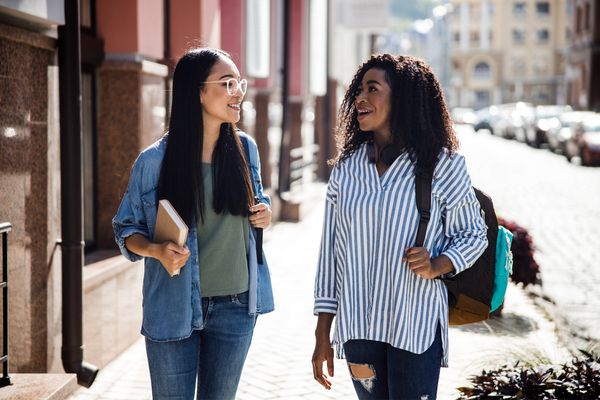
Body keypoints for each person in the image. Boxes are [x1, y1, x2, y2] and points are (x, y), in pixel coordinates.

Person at [311, 54, 488, 400]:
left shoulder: (442, 165)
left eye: (372, 89)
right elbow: (330, 256)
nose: (360, 98)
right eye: (359, 90)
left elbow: (473, 233)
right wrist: (322, 336)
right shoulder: (347, 170)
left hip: (416, 327)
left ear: (403, 99)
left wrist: (439, 263)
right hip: (359, 328)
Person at [112, 47, 274, 400]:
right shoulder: (153, 162)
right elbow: (126, 229)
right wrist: (156, 249)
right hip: (173, 307)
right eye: (227, 83)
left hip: (236, 306)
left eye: (239, 82)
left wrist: (265, 212)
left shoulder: (246, 149)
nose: (239, 92)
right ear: (197, 92)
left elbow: (260, 202)